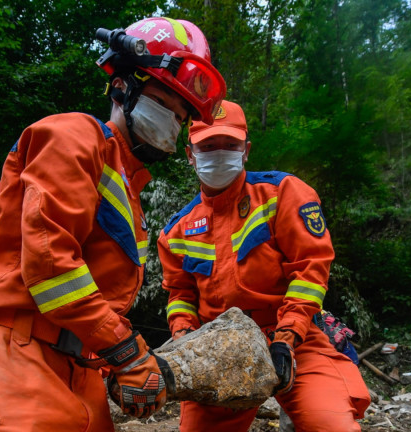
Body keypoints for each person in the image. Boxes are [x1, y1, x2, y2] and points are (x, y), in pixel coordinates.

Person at [0, 16, 226, 431]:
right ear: (124, 86)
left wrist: (116, 368)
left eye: (181, 117)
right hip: (14, 359)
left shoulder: (128, 188)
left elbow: (99, 298)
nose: (173, 125)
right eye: (166, 104)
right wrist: (127, 352)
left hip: (80, 366)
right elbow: (50, 264)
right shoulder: (74, 135)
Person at [156, 100, 371, 431]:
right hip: (219, 349)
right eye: (208, 145)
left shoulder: (282, 193)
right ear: (190, 153)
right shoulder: (176, 230)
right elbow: (180, 295)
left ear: (246, 150)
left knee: (331, 425)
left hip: (297, 336)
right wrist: (185, 340)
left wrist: (287, 337)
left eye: (230, 144)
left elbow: (311, 270)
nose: (219, 152)